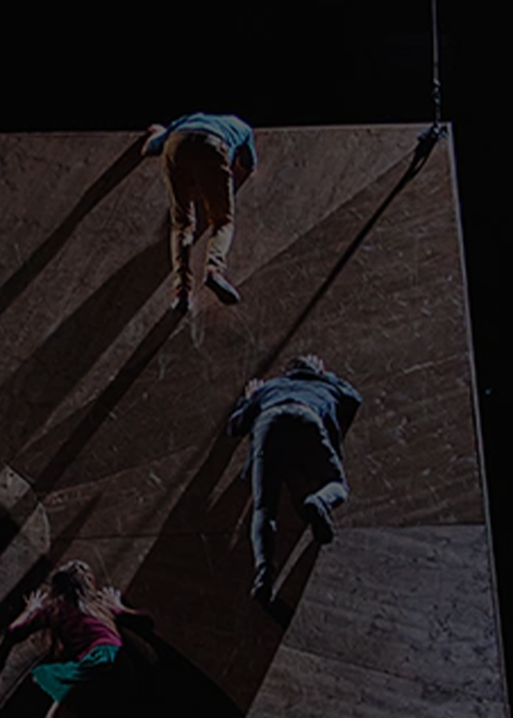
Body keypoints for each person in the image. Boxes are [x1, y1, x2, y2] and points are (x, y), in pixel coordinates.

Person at [226, 355, 363, 605]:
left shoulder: (270, 387)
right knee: (336, 484)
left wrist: (248, 399)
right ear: (316, 369)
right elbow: (353, 399)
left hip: (269, 422)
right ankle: (319, 502)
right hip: (307, 419)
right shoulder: (325, 384)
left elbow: (234, 426)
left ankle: (264, 574)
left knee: (264, 508)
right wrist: (324, 375)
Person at [6, 560, 141, 718]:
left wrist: (32, 609)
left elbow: (14, 632)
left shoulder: (54, 609)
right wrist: (120, 608)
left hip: (95, 665)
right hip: (121, 665)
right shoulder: (100, 605)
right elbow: (146, 622)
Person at [141, 113, 258, 309]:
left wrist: (158, 134)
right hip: (213, 145)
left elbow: (149, 149)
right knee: (223, 221)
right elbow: (248, 165)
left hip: (176, 143)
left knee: (182, 225)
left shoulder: (187, 119)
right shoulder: (242, 127)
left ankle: (182, 293)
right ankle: (214, 270)